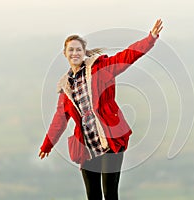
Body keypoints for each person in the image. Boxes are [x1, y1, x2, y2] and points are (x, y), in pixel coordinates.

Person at [39, 19, 163, 200]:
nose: (75, 52)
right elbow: (60, 119)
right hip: (87, 146)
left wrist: (150, 38)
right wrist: (47, 144)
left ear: (84, 52)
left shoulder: (101, 68)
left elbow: (126, 57)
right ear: (65, 54)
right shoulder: (66, 88)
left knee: (110, 193)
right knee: (93, 195)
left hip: (110, 140)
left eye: (78, 49)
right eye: (71, 49)